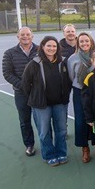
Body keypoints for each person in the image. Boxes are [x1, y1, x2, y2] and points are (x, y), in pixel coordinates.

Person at [21, 36, 72, 166]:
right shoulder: (34, 64)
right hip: (41, 105)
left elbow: (68, 81)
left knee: (61, 131)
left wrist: (64, 95)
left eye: (54, 46)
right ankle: (49, 155)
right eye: (48, 46)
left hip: (59, 103)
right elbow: (26, 84)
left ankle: (61, 153)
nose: (51, 48)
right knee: (44, 132)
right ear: (42, 47)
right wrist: (36, 97)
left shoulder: (63, 62)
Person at [1, 26, 38, 156]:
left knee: (42, 119)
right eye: (22, 35)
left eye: (28, 34)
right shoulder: (9, 53)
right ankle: (29, 145)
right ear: (18, 37)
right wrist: (23, 85)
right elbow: (7, 73)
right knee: (24, 120)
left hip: (38, 92)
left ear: (32, 36)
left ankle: (46, 144)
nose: (25, 37)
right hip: (21, 92)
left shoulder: (41, 50)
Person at [67, 31, 95, 163]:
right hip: (79, 91)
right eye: (82, 42)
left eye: (87, 41)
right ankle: (85, 148)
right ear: (78, 44)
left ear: (91, 42)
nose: (84, 43)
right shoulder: (72, 58)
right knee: (80, 120)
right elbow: (71, 76)